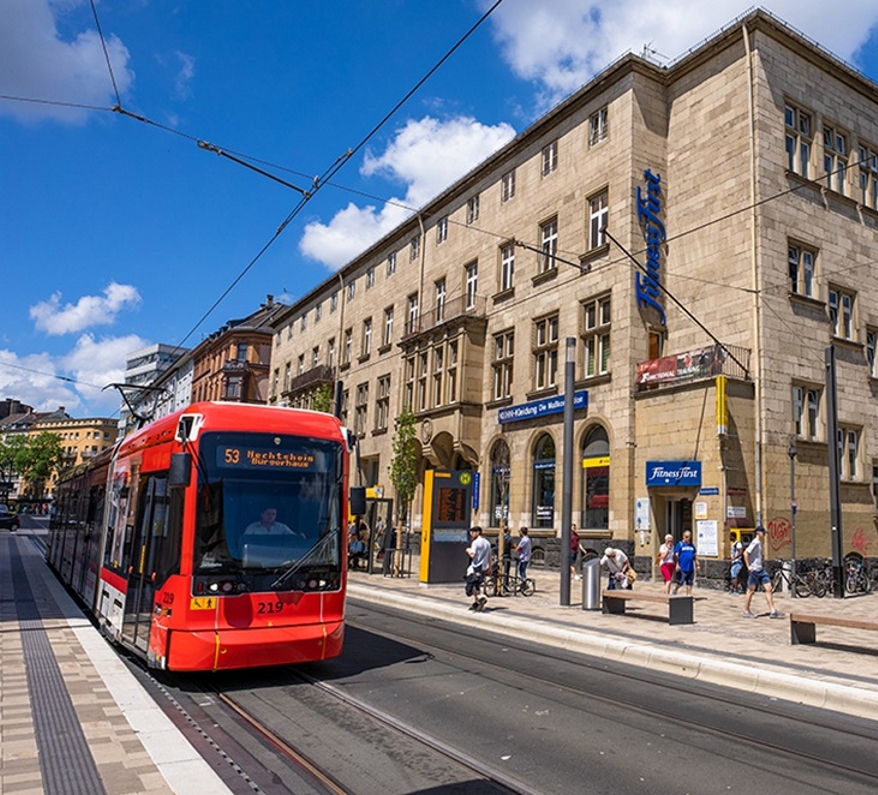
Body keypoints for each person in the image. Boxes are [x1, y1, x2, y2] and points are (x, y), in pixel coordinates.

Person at [742, 525, 783, 619]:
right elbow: (745, 553)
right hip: (754, 571)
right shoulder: (755, 542)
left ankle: (773, 611)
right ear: (758, 533)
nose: (764, 534)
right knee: (751, 591)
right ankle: (746, 611)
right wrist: (749, 566)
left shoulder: (759, 543)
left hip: (761, 570)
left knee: (768, 588)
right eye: (763, 532)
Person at [465, 526, 492, 611]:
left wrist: (468, 551)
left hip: (476, 567)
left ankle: (481, 597)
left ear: (478, 532)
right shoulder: (487, 543)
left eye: (473, 532)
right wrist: (490, 568)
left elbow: (473, 555)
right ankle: (477, 603)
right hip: (484, 567)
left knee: (470, 585)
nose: (471, 534)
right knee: (476, 584)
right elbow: (490, 556)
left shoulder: (475, 543)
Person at [673, 529, 700, 595]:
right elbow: (676, 555)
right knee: (680, 582)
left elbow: (695, 555)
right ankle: (676, 589)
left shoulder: (691, 545)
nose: (687, 538)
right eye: (686, 536)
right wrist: (677, 564)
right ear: (683, 536)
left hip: (690, 567)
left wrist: (697, 565)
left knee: (690, 582)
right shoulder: (680, 544)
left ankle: (689, 595)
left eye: (688, 537)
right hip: (682, 567)